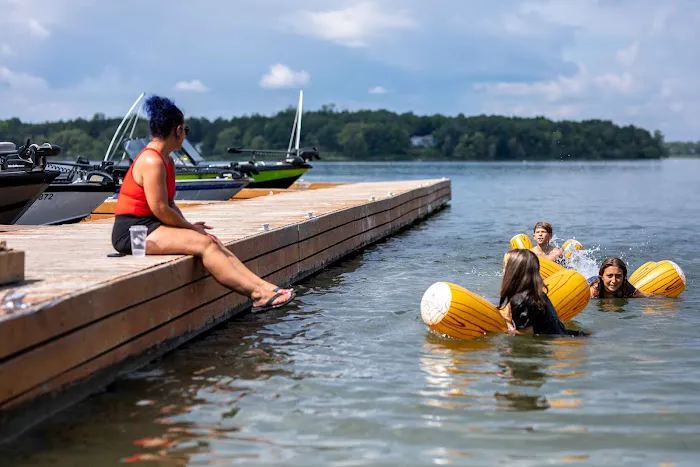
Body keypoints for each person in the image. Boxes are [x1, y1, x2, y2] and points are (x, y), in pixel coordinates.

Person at [111, 95, 295, 313]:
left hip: (150, 226)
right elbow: (160, 209)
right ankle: (257, 295)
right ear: (178, 130)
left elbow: (169, 204)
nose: (185, 135)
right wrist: (190, 228)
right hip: (133, 234)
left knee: (211, 241)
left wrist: (190, 228)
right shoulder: (152, 161)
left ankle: (264, 287)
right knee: (205, 244)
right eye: (186, 130)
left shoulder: (166, 160)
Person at [499, 249, 584, 336]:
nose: (503, 271)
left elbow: (525, 336)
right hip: (570, 336)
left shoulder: (521, 299)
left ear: (514, 271)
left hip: (559, 340)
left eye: (505, 266)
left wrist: (506, 323)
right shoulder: (536, 293)